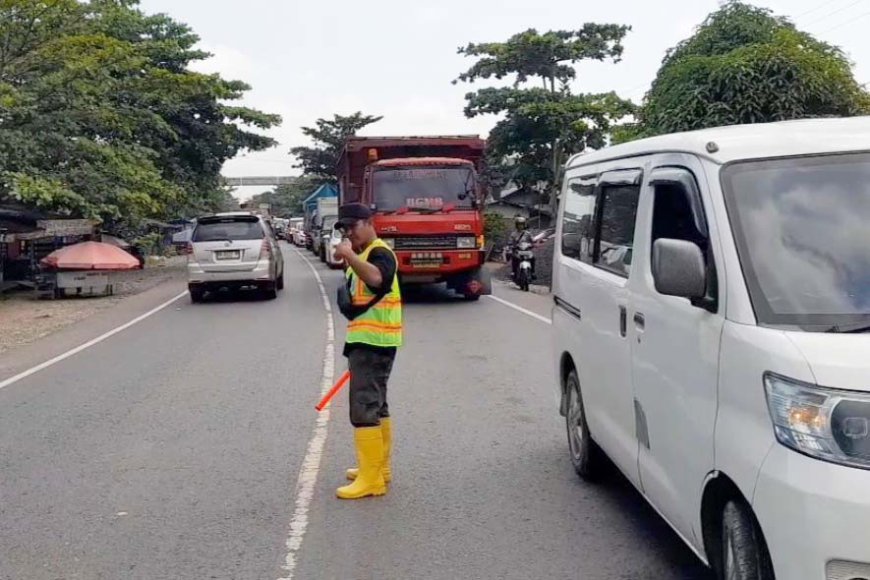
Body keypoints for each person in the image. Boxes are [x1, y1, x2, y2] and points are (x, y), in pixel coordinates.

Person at [332, 203, 403, 500]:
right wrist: (350, 258)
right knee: (377, 405)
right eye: (344, 229)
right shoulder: (365, 254)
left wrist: (349, 255)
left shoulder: (380, 252)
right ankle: (378, 469)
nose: (349, 233)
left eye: (353, 227)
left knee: (363, 407)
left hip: (374, 341)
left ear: (369, 222)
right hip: (372, 339)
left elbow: (377, 280)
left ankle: (371, 480)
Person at [508, 216, 535, 281]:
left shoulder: (528, 233)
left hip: (526, 250)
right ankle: (513, 272)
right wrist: (512, 245)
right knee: (514, 258)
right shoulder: (513, 234)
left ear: (524, 225)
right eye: (519, 224)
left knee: (533, 258)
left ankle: (532, 272)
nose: (520, 226)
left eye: (522, 224)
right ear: (516, 225)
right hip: (517, 250)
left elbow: (532, 240)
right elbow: (510, 241)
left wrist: (532, 244)